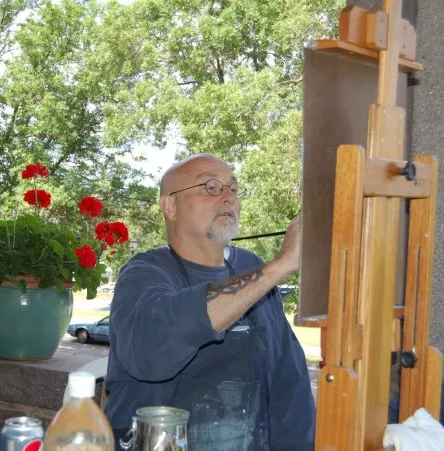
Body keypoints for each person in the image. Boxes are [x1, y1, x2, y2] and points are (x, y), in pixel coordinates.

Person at [104, 153, 315, 450]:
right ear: (170, 205)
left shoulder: (250, 267)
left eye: (233, 188)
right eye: (211, 187)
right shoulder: (143, 274)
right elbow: (153, 346)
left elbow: (289, 388)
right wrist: (278, 267)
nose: (229, 197)